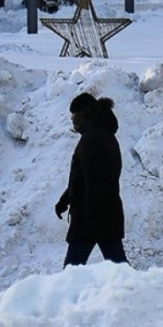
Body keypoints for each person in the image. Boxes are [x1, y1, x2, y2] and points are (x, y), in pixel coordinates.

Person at [55, 93, 128, 267]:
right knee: (119, 268)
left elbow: (94, 182)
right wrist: (64, 201)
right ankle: (137, 286)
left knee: (72, 271)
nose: (72, 120)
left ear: (84, 114)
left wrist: (89, 220)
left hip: (90, 218)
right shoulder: (104, 136)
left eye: (74, 115)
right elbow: (82, 178)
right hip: (106, 215)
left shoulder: (91, 141)